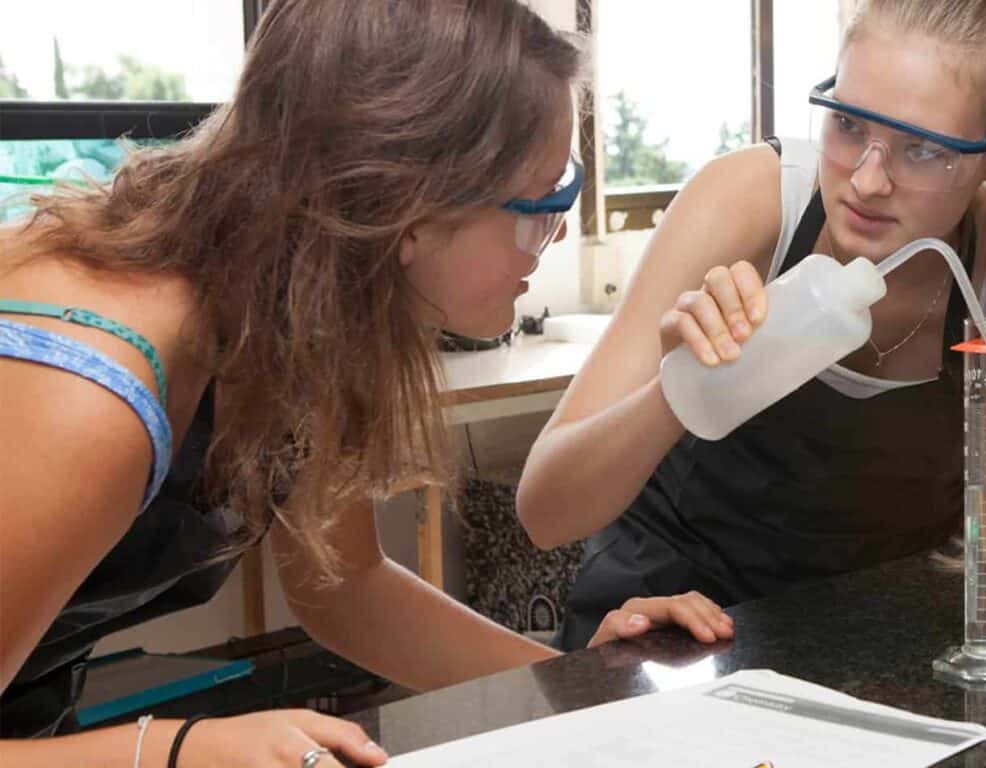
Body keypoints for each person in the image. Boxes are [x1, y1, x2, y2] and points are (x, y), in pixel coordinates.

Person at [0, 1, 730, 765]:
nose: (551, 240)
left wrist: (578, 687)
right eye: (540, 209)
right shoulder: (94, 389)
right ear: (410, 209)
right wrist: (178, 751)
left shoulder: (291, 317)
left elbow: (347, 590)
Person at [519, 0, 986, 651]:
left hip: (864, 644)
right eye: (848, 124)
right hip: (674, 630)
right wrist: (674, 389)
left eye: (922, 149)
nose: (867, 180)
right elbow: (546, 512)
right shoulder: (752, 202)